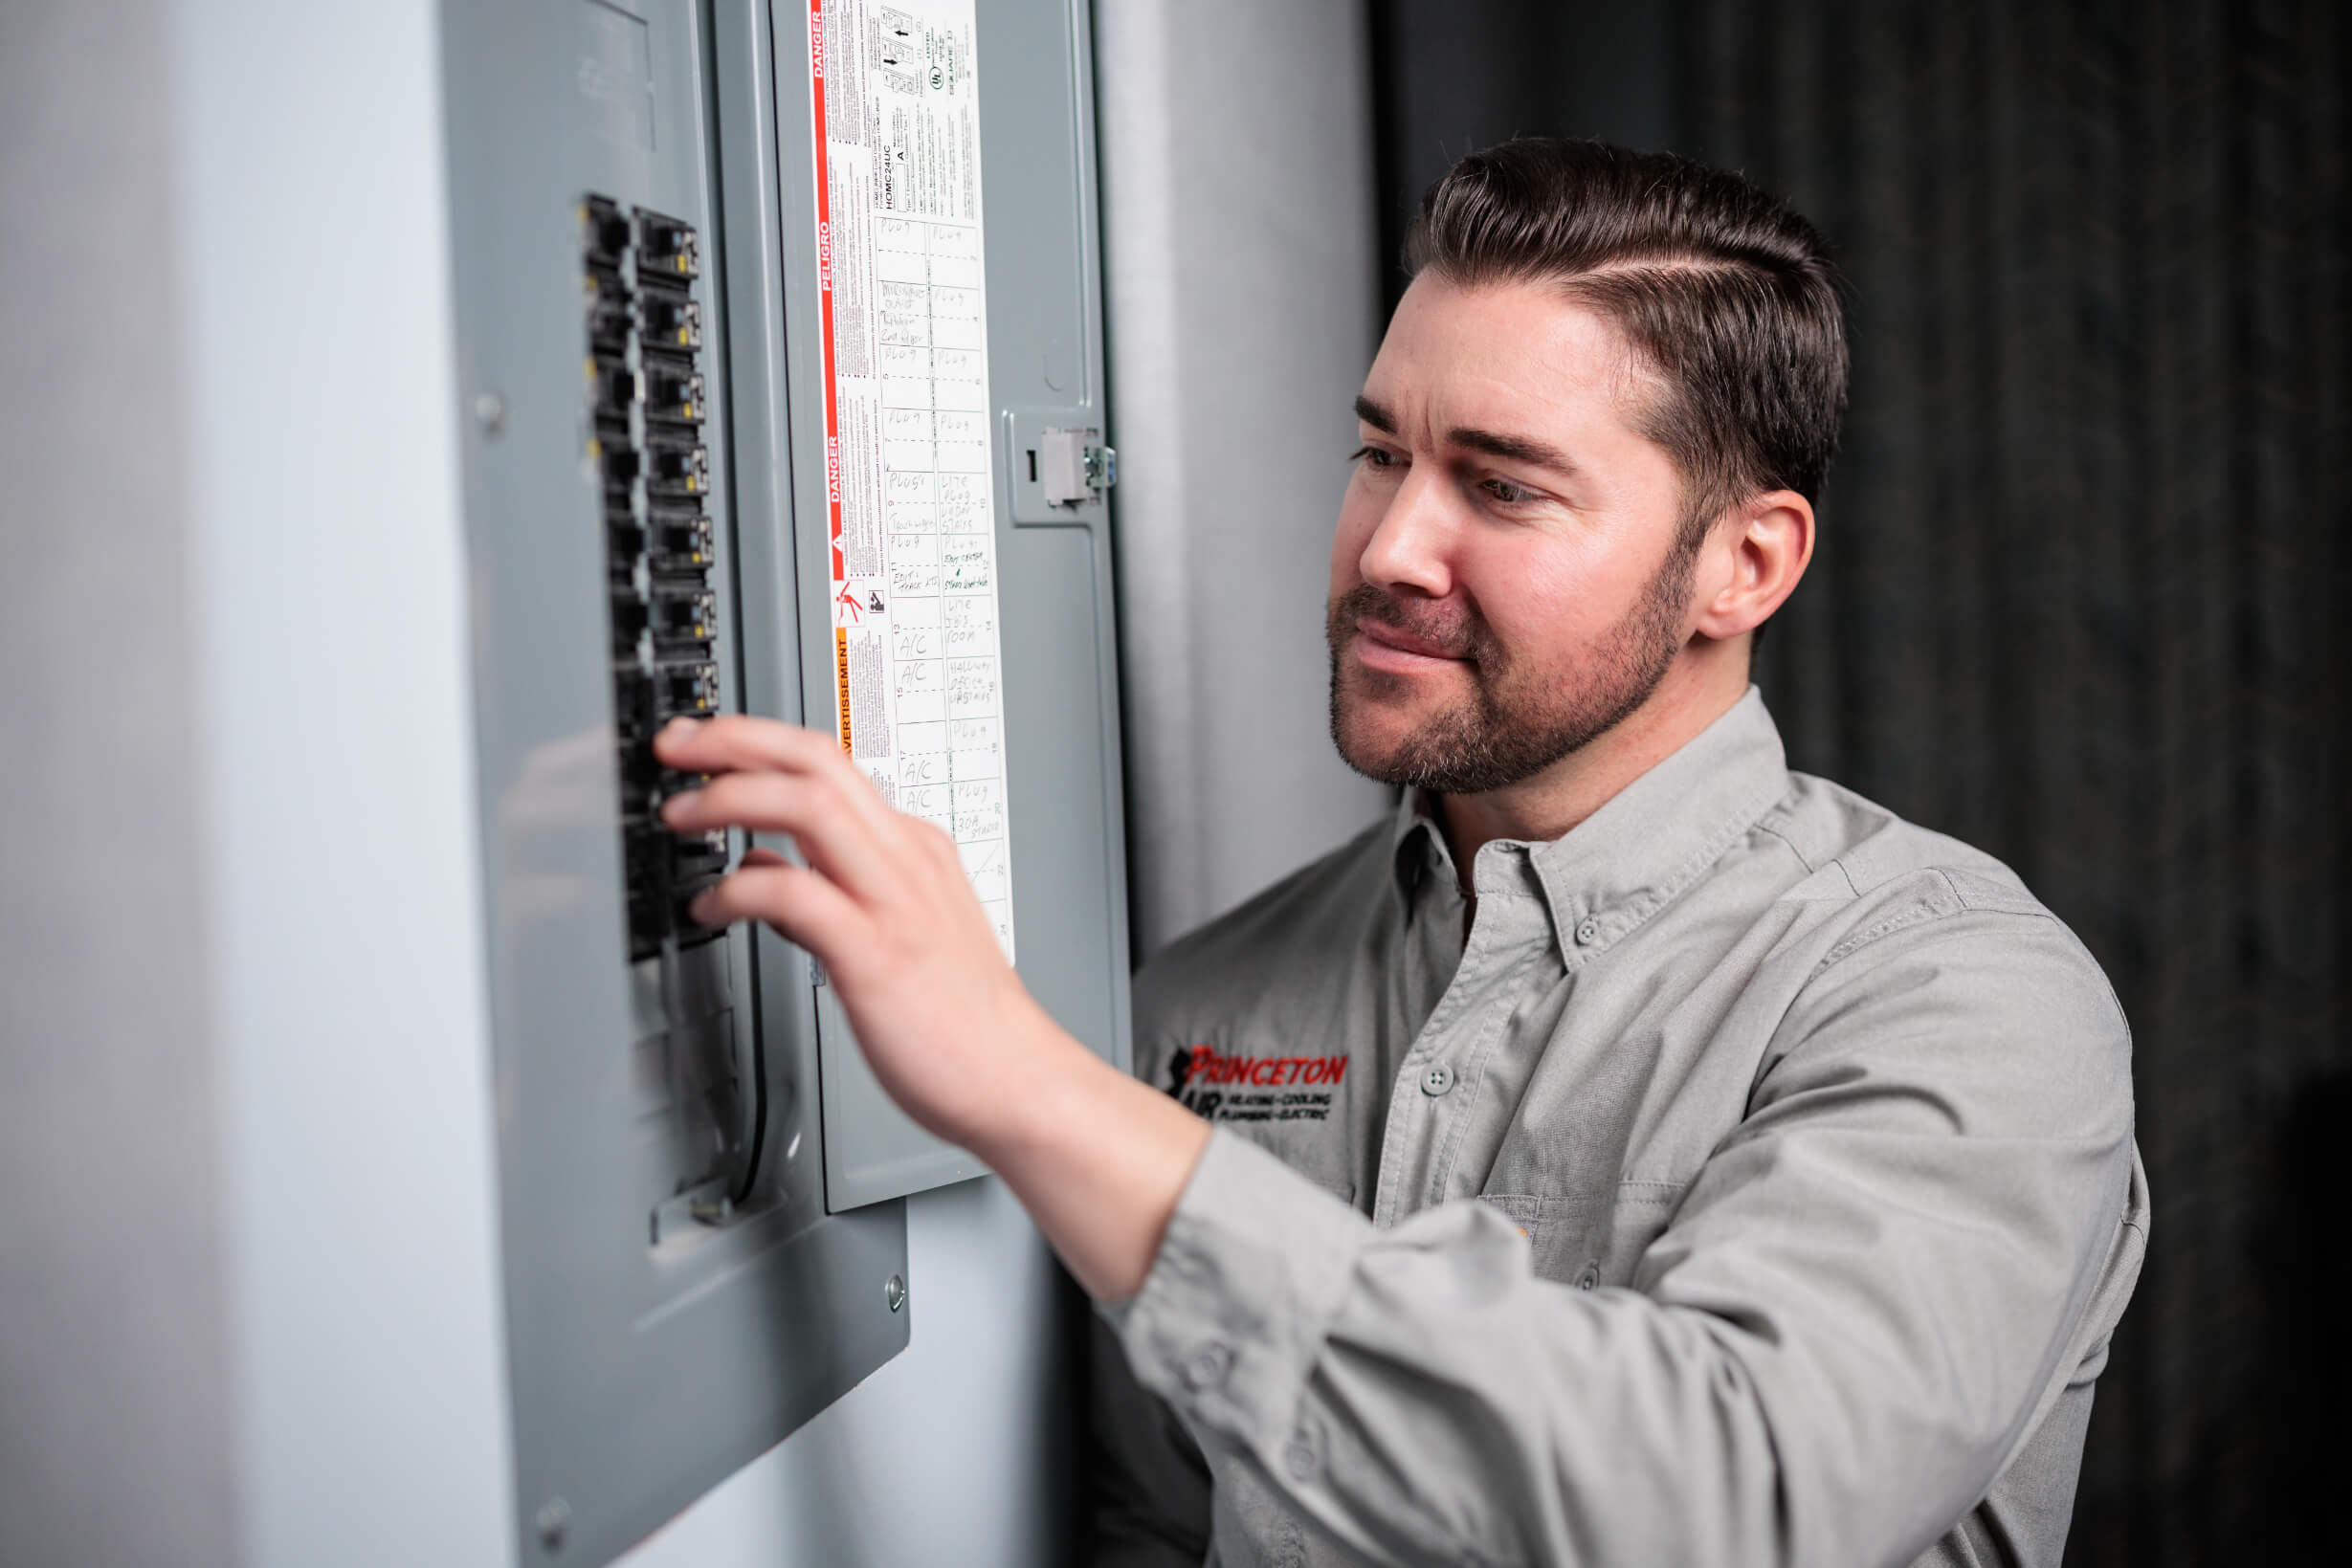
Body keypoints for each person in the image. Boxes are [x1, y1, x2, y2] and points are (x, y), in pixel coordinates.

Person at [652, 138, 2148, 1568]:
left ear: (1737, 566)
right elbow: (1165, 1523)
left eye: (1500, 486)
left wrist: (1027, 1086)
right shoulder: (1203, 1004)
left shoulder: (1957, 991)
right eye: (1381, 453)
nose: (1384, 549)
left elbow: (1737, 1503)